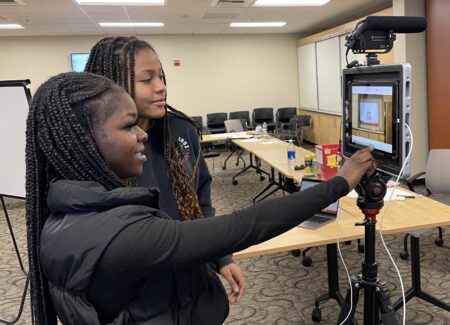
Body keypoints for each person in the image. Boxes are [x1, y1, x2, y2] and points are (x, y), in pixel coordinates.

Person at [26, 72, 376, 325]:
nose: (140, 136)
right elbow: (242, 226)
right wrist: (339, 183)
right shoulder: (115, 235)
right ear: (85, 141)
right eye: (127, 126)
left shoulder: (73, 209)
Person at [84, 36, 247, 305]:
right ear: (112, 84)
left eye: (161, 76)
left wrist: (221, 258)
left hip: (190, 277)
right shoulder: (98, 147)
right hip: (136, 292)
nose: (161, 87)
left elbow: (201, 202)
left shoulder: (181, 130)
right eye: (146, 80)